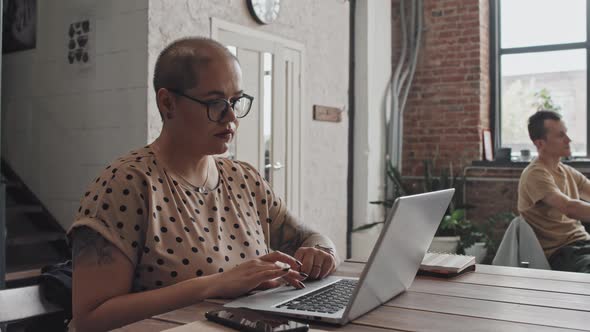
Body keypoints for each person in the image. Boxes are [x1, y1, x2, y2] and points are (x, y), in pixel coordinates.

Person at [68, 37, 339, 332]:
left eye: (236, 101)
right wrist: (215, 285)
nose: (232, 117)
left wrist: (322, 252)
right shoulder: (127, 184)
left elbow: (310, 237)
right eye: (215, 103)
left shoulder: (245, 179)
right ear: (167, 103)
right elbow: (88, 320)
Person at [518, 110, 590, 273]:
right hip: (563, 253)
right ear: (540, 143)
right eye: (560, 135)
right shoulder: (535, 174)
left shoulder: (566, 171)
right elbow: (569, 207)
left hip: (583, 245)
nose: (568, 140)